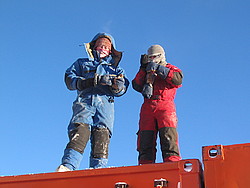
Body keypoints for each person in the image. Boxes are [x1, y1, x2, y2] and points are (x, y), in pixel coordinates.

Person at [56, 33, 129, 172]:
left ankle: (98, 169)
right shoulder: (82, 63)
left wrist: (118, 86)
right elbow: (69, 79)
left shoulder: (115, 69)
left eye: (106, 47)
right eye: (100, 45)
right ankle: (68, 165)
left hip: (105, 105)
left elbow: (123, 87)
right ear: (94, 47)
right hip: (85, 102)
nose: (103, 49)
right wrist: (88, 81)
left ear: (111, 51)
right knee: (80, 130)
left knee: (102, 135)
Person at [132, 44, 183, 164]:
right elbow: (136, 85)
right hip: (148, 105)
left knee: (168, 135)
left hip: (165, 105)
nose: (152, 60)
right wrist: (143, 68)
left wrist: (159, 69)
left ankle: (172, 162)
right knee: (145, 137)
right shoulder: (146, 71)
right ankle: (145, 164)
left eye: (154, 57)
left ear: (161, 56)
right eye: (150, 57)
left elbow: (177, 79)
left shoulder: (171, 68)